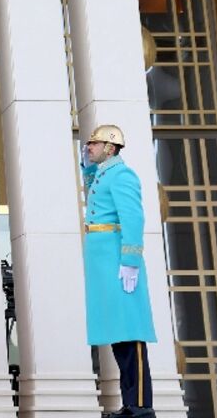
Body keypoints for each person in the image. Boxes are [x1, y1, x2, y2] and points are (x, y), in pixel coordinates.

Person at [82, 124, 156, 418]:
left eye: (94, 144)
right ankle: (131, 403)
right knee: (118, 333)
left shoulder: (122, 174)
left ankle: (141, 406)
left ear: (110, 148)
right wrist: (85, 165)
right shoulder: (103, 173)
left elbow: (133, 218)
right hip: (103, 262)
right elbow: (94, 192)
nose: (89, 147)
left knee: (131, 333)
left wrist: (130, 261)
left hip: (118, 260)